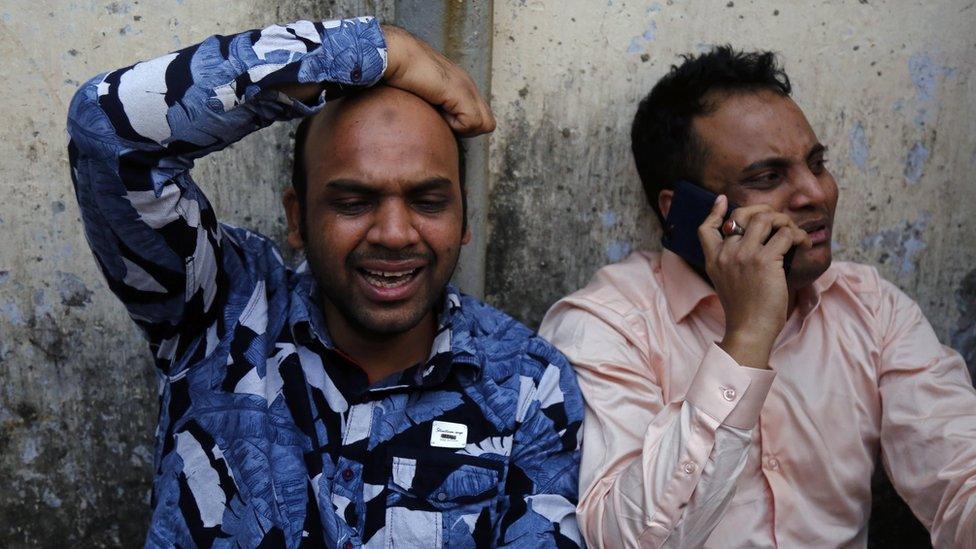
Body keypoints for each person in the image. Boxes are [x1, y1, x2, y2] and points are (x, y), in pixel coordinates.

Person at [67, 16, 583, 547]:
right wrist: (375, 49)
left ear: (465, 217)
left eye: (428, 202)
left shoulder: (525, 383)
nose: (394, 233)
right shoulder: (219, 308)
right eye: (353, 202)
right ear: (298, 219)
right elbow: (104, 128)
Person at [539, 46, 976, 548]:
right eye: (768, 177)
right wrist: (746, 338)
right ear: (682, 209)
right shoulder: (606, 325)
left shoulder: (869, 306)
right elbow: (627, 540)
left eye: (817, 164)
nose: (815, 193)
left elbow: (959, 475)